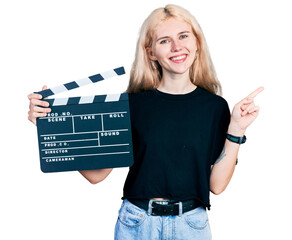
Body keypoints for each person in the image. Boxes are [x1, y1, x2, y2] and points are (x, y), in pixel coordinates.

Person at [27, 4, 263, 240]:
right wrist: (51, 128)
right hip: (137, 223)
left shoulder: (215, 107)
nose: (177, 46)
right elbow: (96, 175)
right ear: (151, 52)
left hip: (191, 225)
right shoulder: (131, 104)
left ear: (197, 43)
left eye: (183, 36)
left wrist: (237, 129)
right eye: (164, 41)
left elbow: (217, 185)